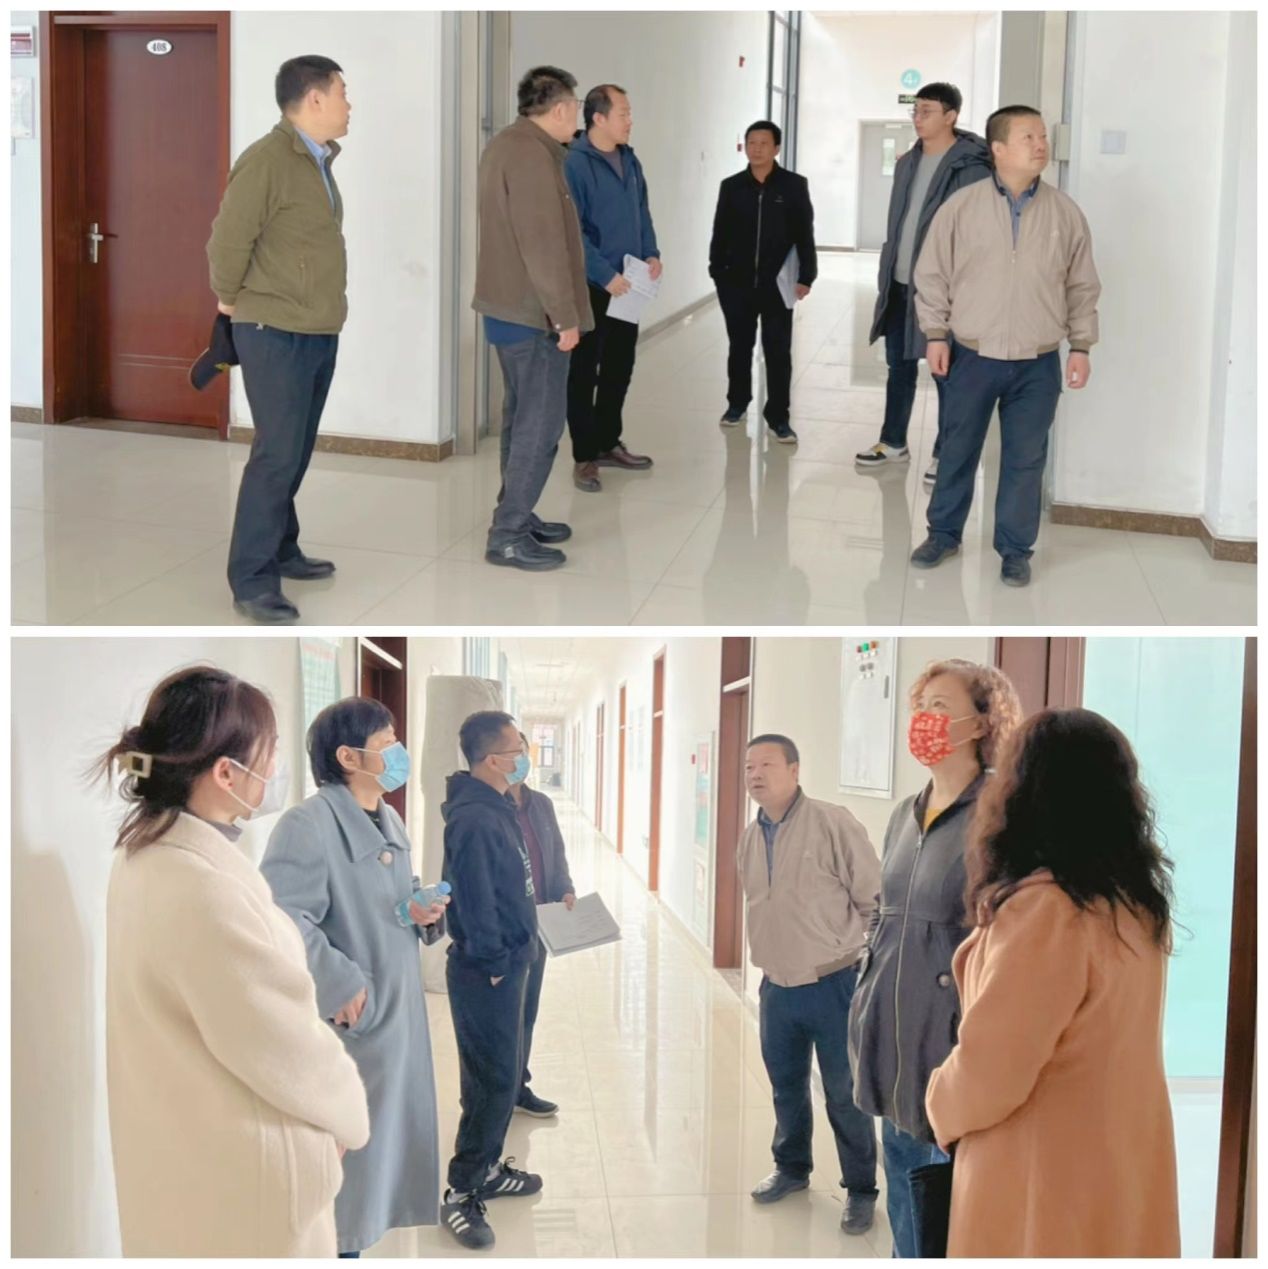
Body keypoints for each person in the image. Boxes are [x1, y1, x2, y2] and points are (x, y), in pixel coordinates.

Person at [99, 666, 369, 1256]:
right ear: (226, 773)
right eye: (269, 752)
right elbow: (279, 1040)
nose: (275, 769)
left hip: (186, 1151)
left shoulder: (145, 856)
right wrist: (346, 1115)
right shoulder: (204, 887)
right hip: (245, 1177)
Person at [926, 709, 1181, 1257]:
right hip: (1116, 1157)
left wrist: (938, 1102)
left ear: (1022, 795)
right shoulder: (1133, 904)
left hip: (1042, 1176)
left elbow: (993, 1071)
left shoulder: (1047, 911)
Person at [260, 697, 448, 1258]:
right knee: (345, 1183)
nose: (398, 753)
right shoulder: (307, 825)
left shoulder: (388, 817)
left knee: (380, 1161)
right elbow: (281, 918)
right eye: (386, 743)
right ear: (348, 756)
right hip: (354, 1025)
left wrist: (417, 909)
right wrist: (342, 985)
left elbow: (387, 900)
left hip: (396, 1017)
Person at [847, 659, 1022, 1259]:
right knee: (904, 1199)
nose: (925, 719)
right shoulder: (905, 813)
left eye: (941, 707)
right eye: (920, 707)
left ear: (983, 722)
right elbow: (884, 910)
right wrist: (866, 989)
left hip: (951, 1044)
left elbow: (1013, 934)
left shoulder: (1003, 815)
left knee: (944, 1213)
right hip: (892, 1039)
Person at [909, 105, 1102, 588]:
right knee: (958, 449)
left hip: (1038, 361)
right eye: (1027, 137)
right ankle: (943, 534)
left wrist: (1081, 345)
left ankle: (1015, 550)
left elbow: (1081, 285)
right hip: (972, 354)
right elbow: (931, 275)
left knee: (1026, 458)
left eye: (1042, 137)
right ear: (998, 149)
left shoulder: (1065, 213)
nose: (1040, 145)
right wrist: (936, 334)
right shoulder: (962, 208)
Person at [207, 56, 352, 625]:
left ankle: (283, 548)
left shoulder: (316, 160)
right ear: (314, 99)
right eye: (342, 93)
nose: (348, 104)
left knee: (296, 448)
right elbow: (227, 241)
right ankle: (251, 579)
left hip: (314, 328)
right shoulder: (267, 159)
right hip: (273, 329)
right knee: (276, 455)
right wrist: (229, 300)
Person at [738, 734, 882, 1235]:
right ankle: (791, 1168)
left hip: (833, 984)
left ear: (795, 770)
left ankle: (861, 1188)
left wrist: (871, 972)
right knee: (786, 1087)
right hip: (776, 987)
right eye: (749, 766)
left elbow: (875, 901)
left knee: (844, 1093)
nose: (755, 774)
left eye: (767, 764)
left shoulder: (831, 822)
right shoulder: (750, 836)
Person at [473, 66, 594, 572]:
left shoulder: (509, 144)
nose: (577, 119)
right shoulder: (531, 156)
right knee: (539, 429)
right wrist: (565, 318)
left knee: (520, 420)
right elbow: (542, 246)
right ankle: (507, 535)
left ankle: (518, 516)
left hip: (510, 311)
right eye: (576, 108)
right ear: (562, 108)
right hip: (533, 314)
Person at [439, 711, 544, 1249]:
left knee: (501, 1076)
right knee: (492, 1082)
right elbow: (476, 899)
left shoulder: (497, 805)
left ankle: (487, 1169)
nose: (524, 754)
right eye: (517, 747)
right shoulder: (475, 819)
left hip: (510, 961)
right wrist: (497, 963)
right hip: (488, 971)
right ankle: (461, 1191)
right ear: (492, 759)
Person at [855, 83, 991, 486]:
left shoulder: (972, 168)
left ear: (951, 116)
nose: (917, 118)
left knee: (946, 374)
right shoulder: (907, 163)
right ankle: (893, 441)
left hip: (946, 292)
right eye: (915, 110)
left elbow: (977, 236)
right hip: (901, 283)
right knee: (898, 367)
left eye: (927, 111)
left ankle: (946, 453)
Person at [564, 85, 660, 492]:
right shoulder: (574, 163)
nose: (629, 120)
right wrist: (604, 274)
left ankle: (608, 442)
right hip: (592, 285)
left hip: (630, 283)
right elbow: (572, 231)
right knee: (584, 372)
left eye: (629, 113)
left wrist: (651, 253)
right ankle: (585, 456)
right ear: (598, 118)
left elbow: (641, 211)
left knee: (620, 366)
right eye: (623, 113)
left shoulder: (630, 160)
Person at [709, 121, 817, 444]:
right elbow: (720, 232)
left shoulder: (793, 185)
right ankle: (737, 403)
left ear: (776, 148)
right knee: (739, 346)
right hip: (736, 284)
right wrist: (717, 271)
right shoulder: (732, 187)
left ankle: (779, 417)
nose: (756, 149)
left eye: (764, 143)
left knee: (778, 351)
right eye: (751, 143)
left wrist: (807, 275)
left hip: (778, 284)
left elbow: (805, 233)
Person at [507, 731, 576, 1117]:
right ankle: (500, 1091)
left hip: (541, 922)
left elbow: (556, 852)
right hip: (508, 928)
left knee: (527, 1010)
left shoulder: (541, 804)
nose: (520, 758)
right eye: (512, 751)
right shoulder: (488, 810)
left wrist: (564, 888)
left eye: (523, 750)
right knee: (505, 1015)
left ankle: (519, 1084)